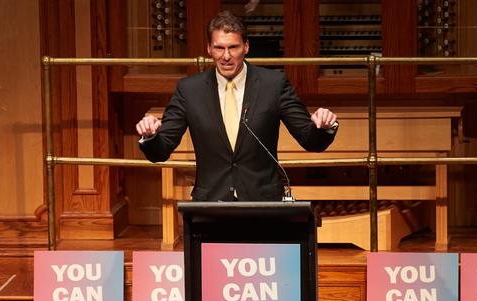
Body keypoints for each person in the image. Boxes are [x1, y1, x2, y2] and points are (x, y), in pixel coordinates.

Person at [136, 10, 338, 202]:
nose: (226, 56)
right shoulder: (189, 90)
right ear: (209, 49)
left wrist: (323, 125)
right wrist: (150, 136)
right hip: (211, 204)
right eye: (219, 48)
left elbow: (310, 140)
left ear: (246, 47)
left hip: (262, 203)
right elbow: (160, 151)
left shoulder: (273, 85)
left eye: (233, 47)